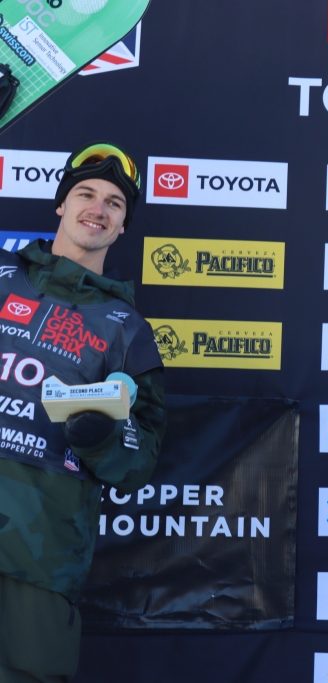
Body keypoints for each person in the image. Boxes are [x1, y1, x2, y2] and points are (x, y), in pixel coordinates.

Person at [0, 142, 165, 682]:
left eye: (114, 203)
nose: (98, 208)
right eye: (86, 194)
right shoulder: (2, 275)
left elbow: (139, 460)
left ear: (122, 227)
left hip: (39, 559)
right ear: (61, 205)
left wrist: (100, 438)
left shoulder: (128, 331)